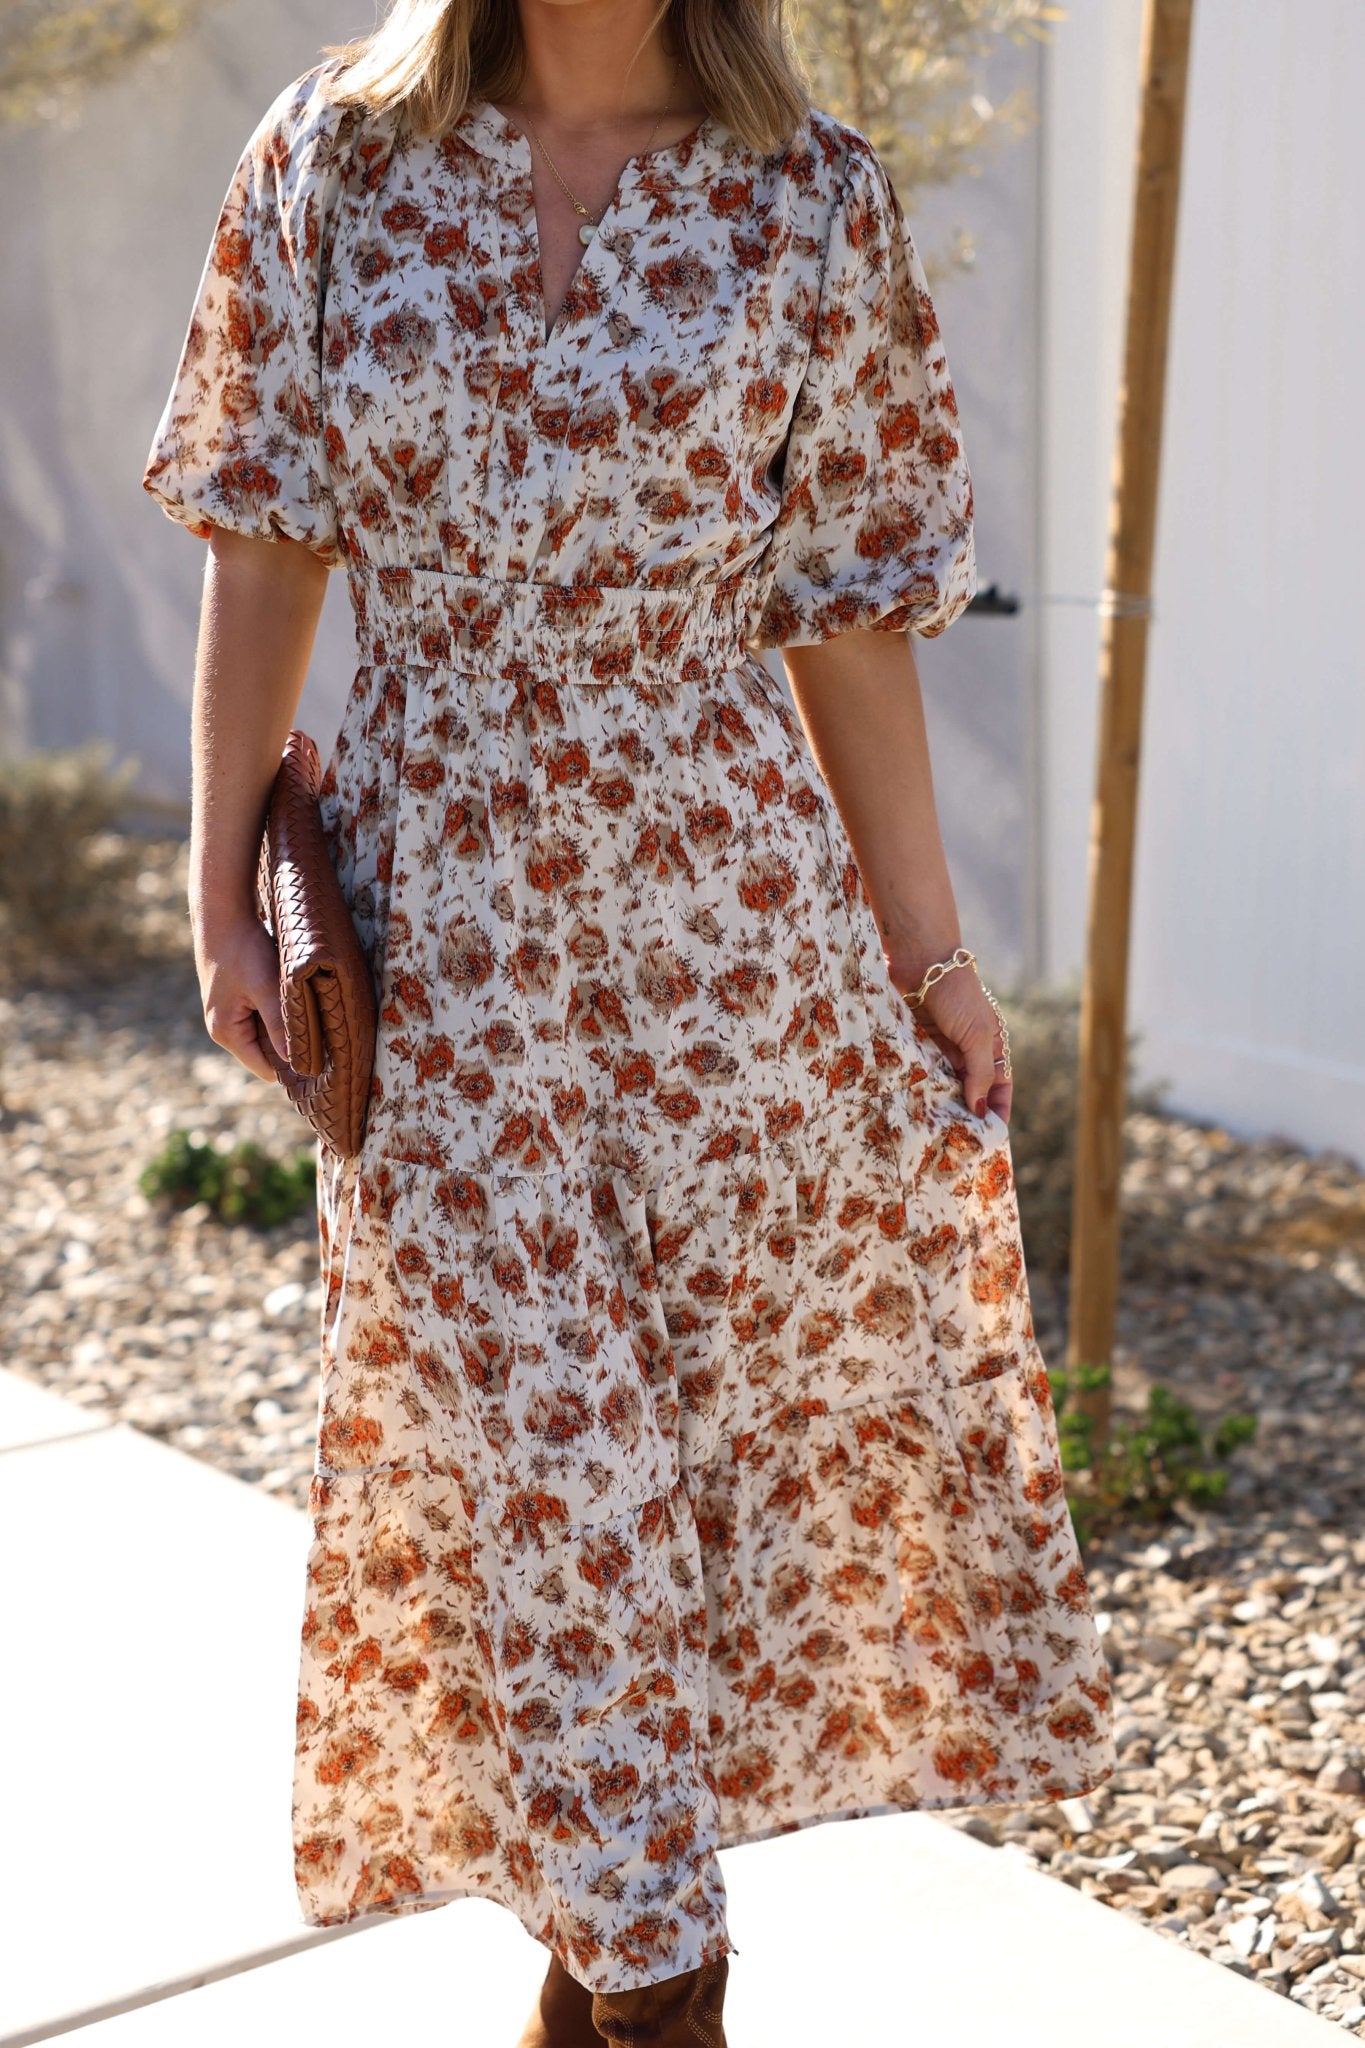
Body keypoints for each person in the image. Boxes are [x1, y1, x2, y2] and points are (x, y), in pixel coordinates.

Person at [140, 1, 1116, 2040]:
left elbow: (845, 614)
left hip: (731, 941)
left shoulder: (810, 196)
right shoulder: (333, 161)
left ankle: (598, 1992)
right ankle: (666, 1996)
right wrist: (219, 882)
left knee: (691, 1493)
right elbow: (264, 530)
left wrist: (931, 960)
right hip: (443, 943)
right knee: (551, 1476)